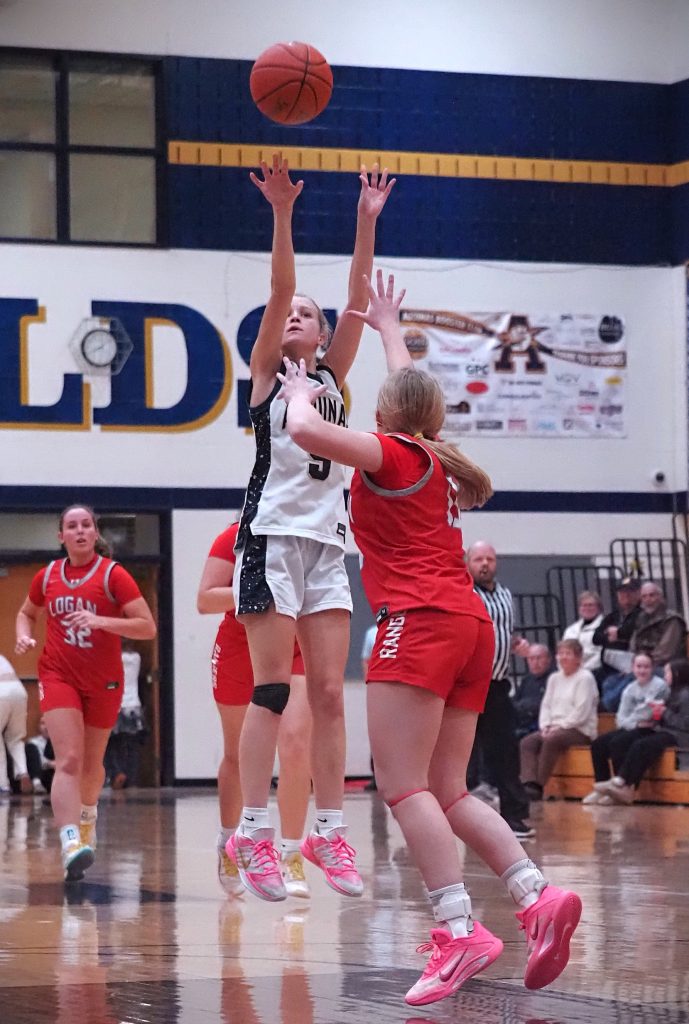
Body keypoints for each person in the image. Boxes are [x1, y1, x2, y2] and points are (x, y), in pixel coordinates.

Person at [276, 270, 582, 1007]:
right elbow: (408, 389)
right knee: (446, 789)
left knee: (403, 786)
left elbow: (307, 433)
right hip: (471, 627)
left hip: (418, 623)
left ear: (385, 413)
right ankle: (535, 896)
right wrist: (386, 325)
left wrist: (297, 394)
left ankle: (456, 930)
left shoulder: (392, 451)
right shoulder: (434, 454)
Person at [227, 155, 395, 902]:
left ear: (324, 336)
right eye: (291, 314)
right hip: (269, 539)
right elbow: (278, 286)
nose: (295, 315)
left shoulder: (330, 379)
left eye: (308, 315)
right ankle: (253, 836)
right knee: (271, 690)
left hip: (329, 546)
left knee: (329, 694)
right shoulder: (268, 372)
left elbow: (358, 300)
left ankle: (327, 833)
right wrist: (283, 210)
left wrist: (364, 222)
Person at [14, 504, 156, 881]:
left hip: (103, 680)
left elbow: (146, 626)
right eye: (71, 526)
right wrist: (24, 635)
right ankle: (70, 840)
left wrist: (101, 621)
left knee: (93, 767)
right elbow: (27, 612)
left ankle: (88, 815)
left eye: (86, 525)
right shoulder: (47, 577)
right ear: (61, 536)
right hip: (59, 675)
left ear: (95, 533)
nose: (79, 531)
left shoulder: (114, 576)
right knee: (69, 760)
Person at [197, 521, 313, 898]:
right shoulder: (232, 535)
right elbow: (206, 599)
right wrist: (256, 586)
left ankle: (291, 852)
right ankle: (230, 841)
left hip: (295, 643)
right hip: (240, 644)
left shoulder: (311, 535)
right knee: (236, 754)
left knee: (295, 747)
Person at [465, 541, 534, 838]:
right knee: (463, 753)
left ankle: (514, 817)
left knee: (507, 751)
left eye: (490, 559)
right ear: (468, 562)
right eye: (478, 558)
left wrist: (516, 644)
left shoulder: (506, 594)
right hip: (467, 684)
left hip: (498, 684)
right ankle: (453, 814)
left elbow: (505, 630)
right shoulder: (463, 594)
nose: (485, 564)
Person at [591, 657, 689, 804]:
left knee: (640, 744)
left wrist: (663, 713)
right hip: (665, 730)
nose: (665, 675)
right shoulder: (671, 692)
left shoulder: (685, 695)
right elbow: (622, 717)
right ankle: (618, 786)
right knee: (618, 742)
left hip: (679, 736)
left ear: (677, 674)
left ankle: (622, 782)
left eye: (668, 672)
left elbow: (685, 723)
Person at [519, 639, 599, 801]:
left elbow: (581, 712)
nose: (563, 657)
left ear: (578, 657)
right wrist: (545, 725)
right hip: (554, 726)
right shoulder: (554, 678)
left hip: (579, 729)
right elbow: (546, 705)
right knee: (527, 742)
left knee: (552, 740)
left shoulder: (585, 678)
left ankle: (539, 785)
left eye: (567, 654)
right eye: (560, 653)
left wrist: (559, 727)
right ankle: (529, 783)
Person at [593, 576, 643, 708]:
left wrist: (619, 633)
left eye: (629, 592)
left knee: (610, 683)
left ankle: (604, 706)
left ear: (638, 594)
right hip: (607, 664)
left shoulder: (641, 614)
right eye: (622, 592)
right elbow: (596, 638)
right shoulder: (613, 616)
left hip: (628, 664)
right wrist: (609, 636)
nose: (625, 595)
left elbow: (629, 631)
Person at [104, 642, 145, 789]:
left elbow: (114, 684)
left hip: (116, 705)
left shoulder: (112, 658)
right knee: (131, 746)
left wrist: (105, 686)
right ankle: (131, 778)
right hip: (133, 705)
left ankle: (116, 772)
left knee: (110, 744)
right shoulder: (136, 658)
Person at [629, 582, 686, 669]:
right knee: (610, 681)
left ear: (660, 597)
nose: (648, 599)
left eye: (652, 595)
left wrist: (641, 664)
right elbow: (633, 645)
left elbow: (664, 652)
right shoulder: (641, 618)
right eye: (644, 596)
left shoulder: (672, 619)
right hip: (640, 666)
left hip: (666, 667)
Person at [0, 652, 32, 795]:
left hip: (1, 692)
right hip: (19, 690)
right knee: (16, 738)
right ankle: (22, 771)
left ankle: (3, 785)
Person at [512, 644, 553, 739]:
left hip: (542, 723)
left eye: (538, 658)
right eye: (531, 659)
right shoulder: (527, 679)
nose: (535, 662)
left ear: (549, 659)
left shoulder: (554, 678)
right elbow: (515, 701)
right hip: (522, 721)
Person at [562, 591, 604, 675]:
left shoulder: (605, 626)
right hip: (571, 671)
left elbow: (602, 654)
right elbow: (563, 651)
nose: (587, 608)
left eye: (590, 605)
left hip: (596, 671)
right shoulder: (571, 630)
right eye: (583, 605)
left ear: (598, 607)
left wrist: (584, 669)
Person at [361, 623, 378, 790]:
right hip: (378, 686)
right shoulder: (372, 633)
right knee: (377, 732)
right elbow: (366, 660)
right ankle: (377, 775)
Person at [25, 715, 56, 794]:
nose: (46, 727)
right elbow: (35, 761)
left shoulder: (62, 742)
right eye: (43, 723)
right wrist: (49, 763)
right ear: (39, 726)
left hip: (58, 775)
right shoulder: (33, 743)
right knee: (30, 747)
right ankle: (37, 784)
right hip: (43, 775)